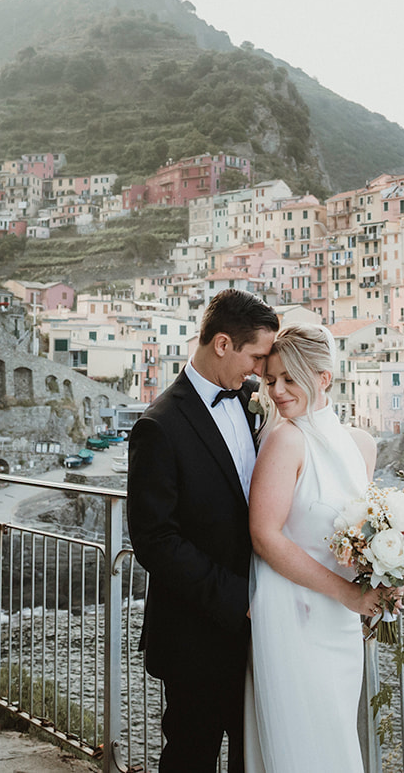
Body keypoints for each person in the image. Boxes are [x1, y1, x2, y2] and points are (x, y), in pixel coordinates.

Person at [127, 288, 280, 773]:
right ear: (221, 344)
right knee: (191, 755)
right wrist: (239, 598)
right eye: (255, 355)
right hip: (197, 631)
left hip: (259, 629)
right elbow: (156, 540)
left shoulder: (256, 400)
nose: (259, 369)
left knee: (250, 755)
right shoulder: (159, 425)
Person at [243, 324, 387, 773]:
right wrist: (345, 593)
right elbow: (265, 536)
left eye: (290, 378)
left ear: (323, 377)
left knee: (338, 736)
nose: (278, 391)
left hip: (340, 623)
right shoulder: (286, 440)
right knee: (304, 746)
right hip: (293, 614)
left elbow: (364, 533)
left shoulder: (361, 444)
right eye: (271, 381)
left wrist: (386, 576)